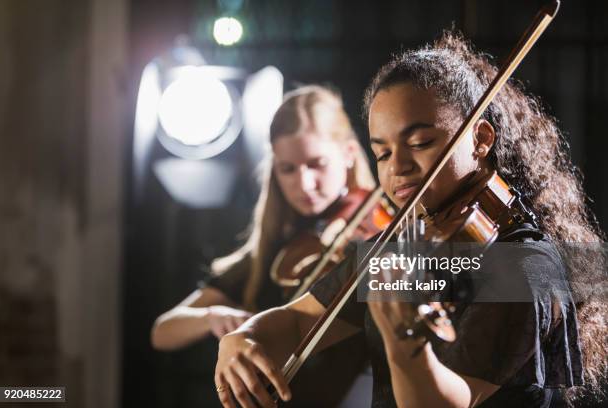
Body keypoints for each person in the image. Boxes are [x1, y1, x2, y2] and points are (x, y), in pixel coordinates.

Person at [214, 32, 607, 408]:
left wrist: (404, 343)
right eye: (382, 153)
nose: (397, 167)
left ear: (481, 139)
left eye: (420, 143)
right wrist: (244, 337)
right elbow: (299, 321)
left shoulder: (526, 265)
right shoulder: (406, 245)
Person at [151, 85, 376, 406]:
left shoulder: (379, 233)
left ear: (349, 155)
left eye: (317, 163)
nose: (304, 183)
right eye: (288, 169)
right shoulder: (271, 253)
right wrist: (211, 317)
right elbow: (162, 331)